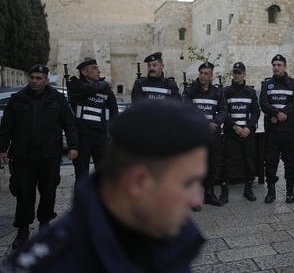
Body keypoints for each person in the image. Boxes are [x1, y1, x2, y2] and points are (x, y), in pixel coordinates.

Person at [0, 100, 210, 272]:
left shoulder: (169, 228)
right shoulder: (50, 264)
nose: (196, 200)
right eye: (188, 183)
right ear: (137, 183)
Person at [0, 65, 78, 251]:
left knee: (48, 192)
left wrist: (73, 146)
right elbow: (6, 127)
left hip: (49, 156)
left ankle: (45, 228)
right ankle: (23, 231)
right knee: (24, 194)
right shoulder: (17, 99)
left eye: (38, 78)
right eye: (32, 77)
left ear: (45, 80)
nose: (34, 81)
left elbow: (69, 123)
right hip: (23, 156)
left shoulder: (58, 99)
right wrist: (2, 149)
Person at [182, 62, 227, 207]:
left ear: (211, 75)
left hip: (213, 135)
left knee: (213, 165)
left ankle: (209, 194)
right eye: (201, 72)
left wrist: (215, 123)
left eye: (206, 73)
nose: (202, 76)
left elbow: (223, 109)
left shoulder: (218, 92)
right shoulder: (190, 91)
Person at [67, 59, 118, 182]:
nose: (99, 71)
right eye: (94, 68)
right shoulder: (76, 85)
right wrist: (105, 84)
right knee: (82, 175)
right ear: (84, 72)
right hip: (82, 137)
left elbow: (114, 113)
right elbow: (89, 89)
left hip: (101, 137)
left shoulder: (105, 90)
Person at [259, 54, 294, 204]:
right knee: (270, 162)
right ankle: (271, 192)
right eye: (274, 65)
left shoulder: (293, 84)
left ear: (284, 67)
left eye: (279, 65)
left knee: (290, 162)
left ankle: (290, 192)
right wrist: (277, 113)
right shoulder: (266, 85)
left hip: (289, 131)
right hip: (272, 132)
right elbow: (263, 103)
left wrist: (283, 114)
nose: (276, 67)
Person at [222, 62, 260, 202]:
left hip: (247, 133)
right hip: (231, 132)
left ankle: (248, 190)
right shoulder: (226, 91)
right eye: (235, 72)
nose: (236, 75)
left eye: (239, 73)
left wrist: (248, 127)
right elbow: (223, 112)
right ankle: (225, 192)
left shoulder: (250, 92)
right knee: (227, 162)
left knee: (249, 161)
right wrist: (234, 126)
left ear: (244, 74)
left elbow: (256, 111)